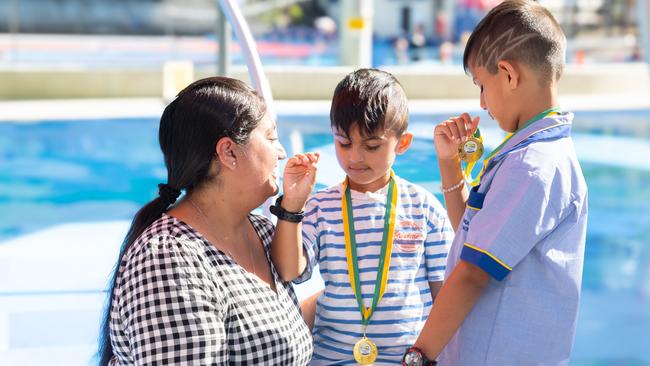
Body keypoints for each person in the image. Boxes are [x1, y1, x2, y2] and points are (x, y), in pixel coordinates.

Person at [402, 1, 588, 365]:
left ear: (508, 74)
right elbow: (472, 240)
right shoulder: (534, 154)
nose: (482, 103)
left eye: (482, 86)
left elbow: (472, 275)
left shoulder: (532, 167)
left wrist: (418, 357)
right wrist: (450, 165)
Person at [97, 76, 318, 365]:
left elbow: (268, 334)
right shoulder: (169, 260)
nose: (282, 152)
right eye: (271, 137)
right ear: (228, 152)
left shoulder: (261, 233)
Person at [271, 68, 454, 365]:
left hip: (407, 360)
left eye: (371, 146)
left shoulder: (424, 208)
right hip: (333, 358)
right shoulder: (319, 207)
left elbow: (445, 295)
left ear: (403, 143)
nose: (355, 157)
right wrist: (292, 204)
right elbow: (291, 272)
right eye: (344, 143)